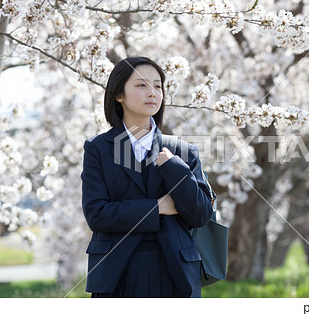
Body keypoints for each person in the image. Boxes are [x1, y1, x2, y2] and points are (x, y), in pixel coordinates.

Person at [81, 57, 213, 298]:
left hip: (175, 272)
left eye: (158, 86)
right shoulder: (98, 148)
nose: (152, 93)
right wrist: (156, 208)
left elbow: (201, 214)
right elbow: (97, 214)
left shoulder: (182, 151)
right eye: (141, 85)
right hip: (117, 272)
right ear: (119, 95)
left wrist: (174, 167)